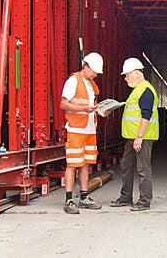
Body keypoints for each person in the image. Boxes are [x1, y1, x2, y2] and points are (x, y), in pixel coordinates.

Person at [108, 57, 160, 211]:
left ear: (136, 73)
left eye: (127, 75)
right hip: (133, 137)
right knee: (126, 165)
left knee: (143, 169)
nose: (125, 78)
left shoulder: (145, 90)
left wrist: (139, 137)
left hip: (142, 137)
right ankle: (125, 198)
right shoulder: (138, 90)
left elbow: (146, 114)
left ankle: (144, 201)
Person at [59, 52, 104, 214]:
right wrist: (84, 109)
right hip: (76, 129)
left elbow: (91, 105)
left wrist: (100, 111)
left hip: (89, 129)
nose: (95, 75)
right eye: (94, 72)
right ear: (85, 67)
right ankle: (69, 199)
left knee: (86, 164)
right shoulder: (73, 81)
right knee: (72, 164)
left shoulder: (92, 85)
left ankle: (84, 196)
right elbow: (64, 104)